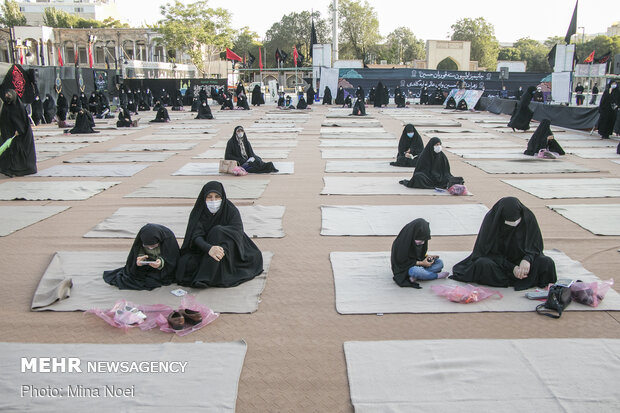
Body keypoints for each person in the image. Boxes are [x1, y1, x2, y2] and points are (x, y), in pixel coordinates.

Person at [451, 197, 557, 291]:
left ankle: (518, 276)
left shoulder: (528, 217)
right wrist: (512, 268)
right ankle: (518, 279)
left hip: (523, 261)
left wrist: (527, 259)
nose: (514, 225)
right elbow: (485, 252)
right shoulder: (491, 221)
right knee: (482, 264)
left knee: (546, 262)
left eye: (517, 222)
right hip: (499, 263)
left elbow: (535, 245)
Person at [175, 181, 264, 288]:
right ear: (204, 198)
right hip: (205, 248)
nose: (213, 200)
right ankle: (210, 274)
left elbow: (237, 232)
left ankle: (204, 277)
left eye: (217, 197)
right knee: (185, 264)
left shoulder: (230, 210)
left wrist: (219, 239)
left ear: (222, 197)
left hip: (230, 247)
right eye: (209, 197)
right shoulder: (199, 212)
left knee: (218, 232)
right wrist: (209, 248)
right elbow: (196, 237)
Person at [103, 223, 180, 291]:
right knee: (133, 276)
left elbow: (171, 257)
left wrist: (161, 262)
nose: (150, 248)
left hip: (164, 265)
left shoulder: (168, 238)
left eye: (153, 246)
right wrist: (140, 259)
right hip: (148, 262)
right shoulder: (141, 239)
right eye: (147, 246)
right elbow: (137, 251)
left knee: (155, 280)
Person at [391, 218, 449, 288]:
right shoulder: (402, 243)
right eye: (420, 240)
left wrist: (428, 257)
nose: (423, 243)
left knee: (439, 263)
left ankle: (419, 276)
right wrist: (421, 263)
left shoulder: (421, 241)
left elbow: (420, 255)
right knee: (415, 271)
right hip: (405, 269)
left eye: (424, 240)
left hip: (419, 264)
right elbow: (401, 262)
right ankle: (435, 276)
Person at [0, 89, 37, 177]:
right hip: (7, 133)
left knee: (17, 152)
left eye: (9, 95)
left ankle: (19, 169)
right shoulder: (5, 106)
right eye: (6, 95)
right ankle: (7, 169)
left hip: (18, 135)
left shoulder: (18, 107)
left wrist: (19, 130)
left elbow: (22, 120)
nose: (7, 96)